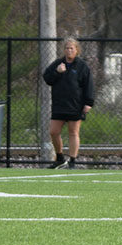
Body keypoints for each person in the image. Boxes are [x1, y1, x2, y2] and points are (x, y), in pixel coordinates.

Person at [42, 37, 94, 169]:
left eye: (72, 48)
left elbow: (89, 85)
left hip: (75, 105)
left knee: (73, 132)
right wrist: (57, 72)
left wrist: (88, 103)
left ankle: (72, 161)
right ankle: (59, 158)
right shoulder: (58, 64)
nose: (69, 50)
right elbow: (47, 78)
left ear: (77, 50)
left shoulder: (82, 66)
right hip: (59, 104)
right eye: (67, 48)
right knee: (54, 131)